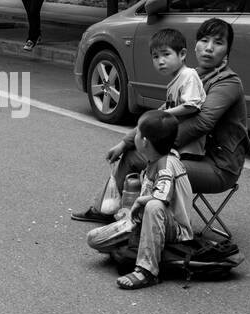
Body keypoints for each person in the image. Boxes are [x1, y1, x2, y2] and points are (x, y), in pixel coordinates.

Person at [72, 27, 207, 223]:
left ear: (183, 54)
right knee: (131, 151)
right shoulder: (175, 82)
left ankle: (111, 210)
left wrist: (163, 113)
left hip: (185, 149)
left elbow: (192, 106)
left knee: (133, 158)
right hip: (174, 144)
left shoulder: (188, 76)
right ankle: (117, 208)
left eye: (166, 55)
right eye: (155, 56)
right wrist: (124, 142)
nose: (160, 61)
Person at [86, 110, 198, 289]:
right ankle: (138, 246)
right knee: (93, 239)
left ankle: (147, 271)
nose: (134, 136)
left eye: (137, 132)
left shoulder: (167, 164)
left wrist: (138, 203)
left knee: (153, 206)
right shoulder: (151, 163)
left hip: (175, 230)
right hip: (145, 223)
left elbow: (161, 198)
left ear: (144, 142)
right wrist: (127, 213)